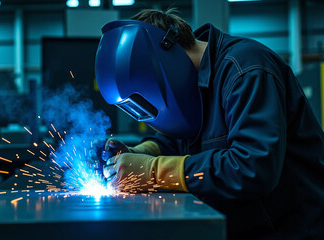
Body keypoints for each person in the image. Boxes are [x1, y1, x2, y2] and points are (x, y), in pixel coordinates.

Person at [95, 8, 324, 239]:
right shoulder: (192, 86)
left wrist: (155, 171)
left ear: (165, 55)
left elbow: (252, 168)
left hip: (292, 230)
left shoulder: (246, 69)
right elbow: (182, 137)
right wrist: (139, 153)